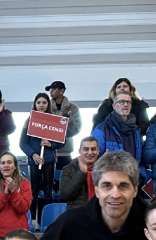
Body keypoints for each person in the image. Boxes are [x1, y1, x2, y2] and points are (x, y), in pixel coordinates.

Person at [20, 93, 62, 223]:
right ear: (35, 104)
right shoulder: (29, 121)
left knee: (49, 192)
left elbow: (62, 141)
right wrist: (33, 154)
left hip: (49, 160)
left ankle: (49, 220)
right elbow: (22, 143)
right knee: (33, 191)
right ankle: (32, 220)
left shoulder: (54, 120)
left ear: (48, 104)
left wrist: (51, 144)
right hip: (34, 161)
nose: (41, 105)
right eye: (39, 102)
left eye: (44, 102)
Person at [92, 90, 147, 182]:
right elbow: (93, 158)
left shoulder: (136, 131)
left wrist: (140, 175)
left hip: (133, 182)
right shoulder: (102, 129)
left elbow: (140, 159)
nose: (125, 104)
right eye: (121, 102)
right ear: (114, 106)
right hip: (111, 181)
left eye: (128, 102)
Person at [0, 152, 32, 239]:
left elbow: (23, 208)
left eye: (9, 162)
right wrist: (5, 194)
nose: (6, 165)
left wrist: (13, 192)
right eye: (3, 163)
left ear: (15, 166)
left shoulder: (25, 183)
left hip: (19, 234)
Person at [45, 81, 81, 169]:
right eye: (50, 89)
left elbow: (75, 130)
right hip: (48, 152)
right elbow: (45, 130)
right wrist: (59, 119)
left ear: (62, 91)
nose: (51, 92)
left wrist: (69, 120)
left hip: (66, 152)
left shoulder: (73, 108)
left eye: (54, 89)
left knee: (65, 181)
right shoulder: (45, 107)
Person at [58, 136, 100, 210]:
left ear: (98, 151)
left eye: (93, 149)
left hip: (101, 214)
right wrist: (81, 173)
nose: (90, 153)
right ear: (79, 151)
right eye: (86, 149)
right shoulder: (68, 169)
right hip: (77, 215)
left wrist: (107, 169)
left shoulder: (105, 168)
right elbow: (65, 195)